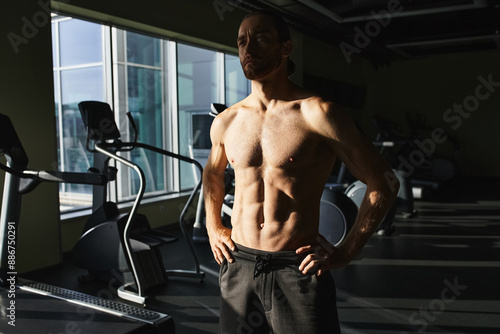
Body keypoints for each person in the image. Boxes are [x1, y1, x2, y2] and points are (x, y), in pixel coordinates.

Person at [203, 10, 399, 334]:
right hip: (237, 264)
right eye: (241, 42)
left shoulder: (318, 113)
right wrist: (213, 227)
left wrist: (346, 252)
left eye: (261, 38)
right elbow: (212, 175)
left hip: (296, 269)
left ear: (286, 48)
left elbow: (384, 182)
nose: (248, 48)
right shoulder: (227, 121)